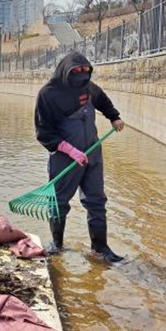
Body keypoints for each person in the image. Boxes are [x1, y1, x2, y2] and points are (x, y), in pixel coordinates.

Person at [34, 52, 125, 263]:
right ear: (65, 72)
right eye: (77, 72)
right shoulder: (48, 94)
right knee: (59, 202)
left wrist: (114, 117)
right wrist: (70, 150)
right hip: (65, 158)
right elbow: (43, 132)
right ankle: (57, 246)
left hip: (92, 152)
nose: (82, 77)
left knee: (97, 201)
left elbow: (102, 101)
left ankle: (100, 248)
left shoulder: (88, 88)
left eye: (86, 72)